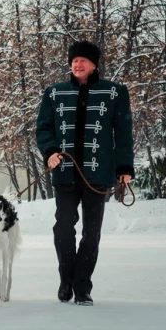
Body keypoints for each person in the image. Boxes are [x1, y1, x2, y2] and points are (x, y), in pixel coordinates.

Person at [36, 40, 134, 306]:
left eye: (83, 60)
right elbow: (43, 128)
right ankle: (66, 279)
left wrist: (124, 167)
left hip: (99, 174)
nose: (77, 64)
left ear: (94, 65)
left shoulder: (114, 93)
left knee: (92, 232)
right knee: (64, 229)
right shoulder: (54, 93)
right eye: (74, 60)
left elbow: (123, 133)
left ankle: (82, 287)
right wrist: (50, 151)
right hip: (65, 172)